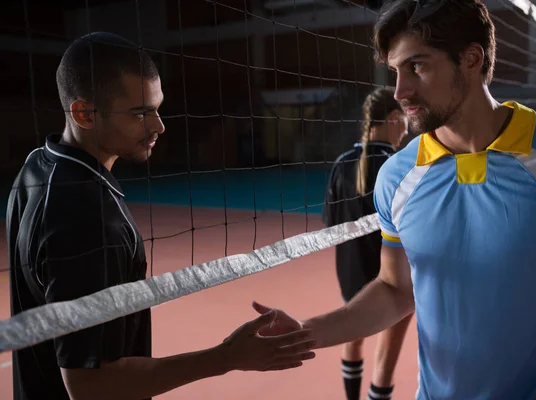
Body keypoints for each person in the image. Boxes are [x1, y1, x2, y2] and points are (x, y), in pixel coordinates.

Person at [250, 1, 536, 399]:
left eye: (417, 66)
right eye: (395, 71)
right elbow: (395, 289)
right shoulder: (397, 177)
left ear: (471, 59)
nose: (400, 91)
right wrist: (305, 334)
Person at [7, 32, 316, 400]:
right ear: (84, 113)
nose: (159, 126)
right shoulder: (87, 216)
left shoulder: (37, 165)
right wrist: (225, 357)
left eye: (156, 108)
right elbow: (91, 386)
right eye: (140, 113)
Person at [322, 87, 412, 400]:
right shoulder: (401, 166)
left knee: (353, 332)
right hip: (391, 277)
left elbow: (331, 225)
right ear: (392, 118)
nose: (408, 127)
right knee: (386, 354)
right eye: (405, 119)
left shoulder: (341, 163)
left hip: (349, 271)